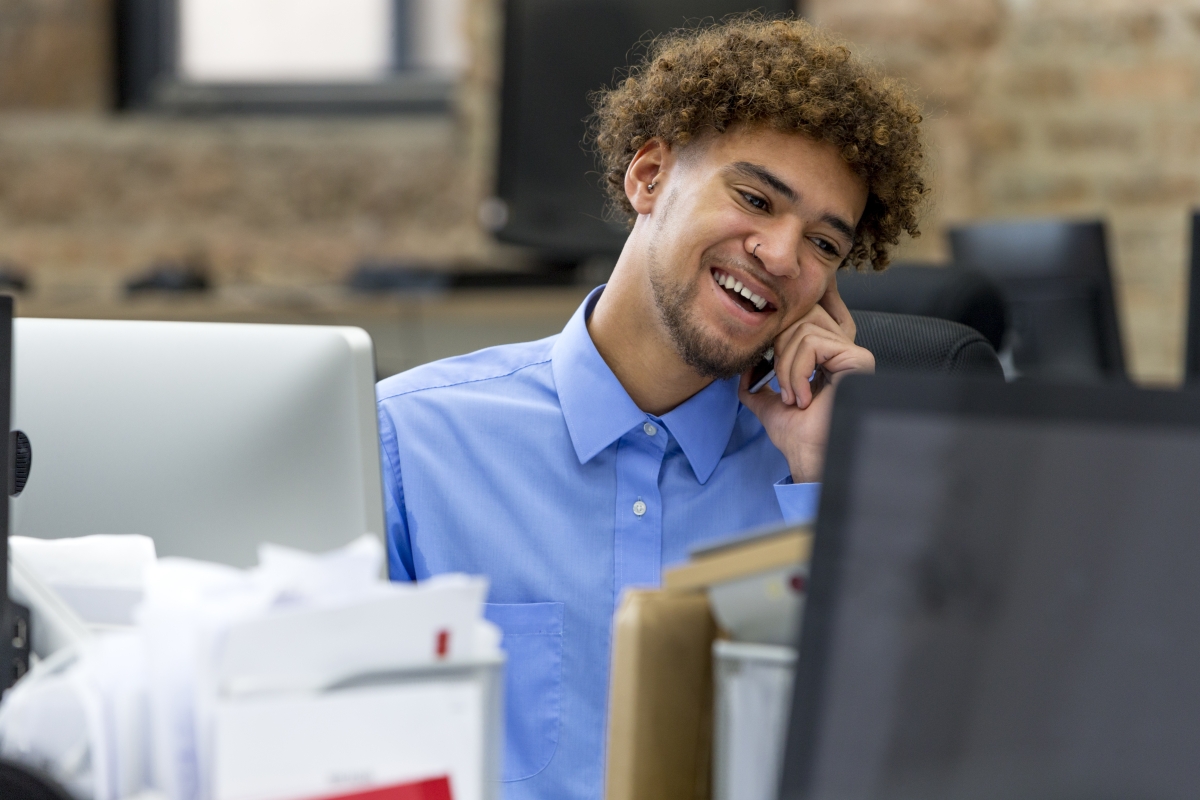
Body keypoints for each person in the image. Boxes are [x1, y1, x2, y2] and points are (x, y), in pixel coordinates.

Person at [376, 15, 926, 800]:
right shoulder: (411, 441)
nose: (780, 255)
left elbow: (886, 756)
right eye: (755, 197)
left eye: (824, 245)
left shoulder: (825, 480)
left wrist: (826, 482)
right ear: (649, 177)